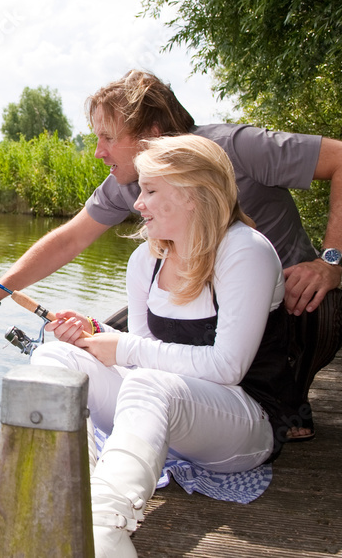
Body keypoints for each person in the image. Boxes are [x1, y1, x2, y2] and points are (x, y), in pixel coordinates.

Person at [0, 70, 342, 440]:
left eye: (109, 137)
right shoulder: (128, 182)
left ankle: (287, 405)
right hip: (192, 315)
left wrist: (329, 261)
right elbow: (69, 239)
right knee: (96, 344)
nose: (98, 151)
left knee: (320, 312)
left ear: (151, 134)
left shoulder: (239, 147)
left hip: (286, 311)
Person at [31, 135, 294, 557]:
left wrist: (124, 348)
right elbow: (139, 360)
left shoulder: (245, 250)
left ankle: (104, 529)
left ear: (194, 195)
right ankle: (72, 488)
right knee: (54, 357)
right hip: (164, 409)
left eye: (151, 190)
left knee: (152, 382)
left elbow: (228, 368)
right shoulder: (145, 261)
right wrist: (97, 341)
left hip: (245, 423)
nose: (138, 204)